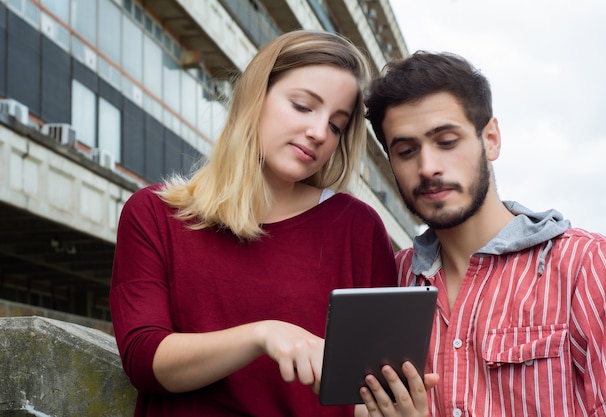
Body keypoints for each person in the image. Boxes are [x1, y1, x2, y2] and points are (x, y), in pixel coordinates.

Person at [109, 29, 400, 417]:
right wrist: (264, 334)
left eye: (336, 125)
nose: (318, 132)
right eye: (302, 106)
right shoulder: (153, 213)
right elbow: (144, 360)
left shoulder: (357, 228)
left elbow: (371, 388)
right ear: (254, 97)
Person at [359, 50, 606, 416]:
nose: (428, 167)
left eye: (447, 141)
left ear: (491, 139)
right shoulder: (389, 281)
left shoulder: (589, 264)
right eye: (406, 151)